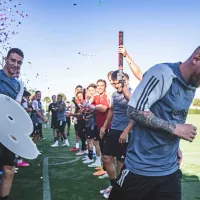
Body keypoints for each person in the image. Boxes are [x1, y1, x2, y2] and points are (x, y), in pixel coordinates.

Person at [109, 47, 200, 200]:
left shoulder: (191, 87)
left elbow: (172, 117)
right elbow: (134, 110)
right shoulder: (163, 73)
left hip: (170, 171)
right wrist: (174, 129)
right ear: (197, 59)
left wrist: (174, 145)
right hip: (140, 170)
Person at [99, 71, 134, 198]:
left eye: (116, 83)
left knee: (120, 162)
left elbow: (137, 115)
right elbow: (112, 111)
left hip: (126, 131)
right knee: (106, 157)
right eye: (112, 84)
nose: (115, 86)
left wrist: (126, 131)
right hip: (114, 129)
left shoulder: (133, 94)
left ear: (124, 80)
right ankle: (114, 185)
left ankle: (119, 190)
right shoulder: (114, 95)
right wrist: (104, 126)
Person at [0, 48, 24, 200]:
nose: (16, 64)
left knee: (9, 169)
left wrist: (21, 90)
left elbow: (16, 110)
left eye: (19, 62)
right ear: (6, 59)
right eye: (13, 60)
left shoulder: (16, 84)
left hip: (8, 132)